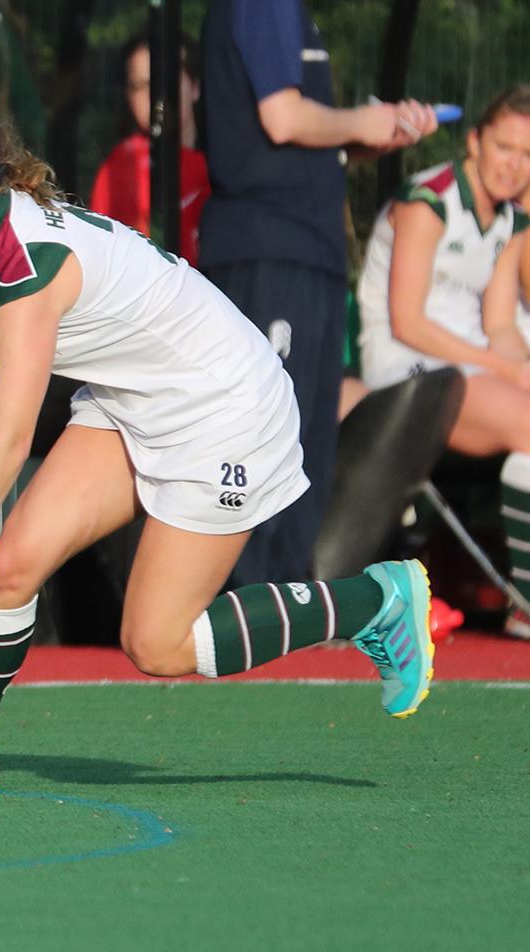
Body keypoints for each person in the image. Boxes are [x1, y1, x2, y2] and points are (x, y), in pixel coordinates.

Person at [0, 90, 434, 795]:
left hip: (225, 407)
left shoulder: (29, 264)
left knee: (157, 643)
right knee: (11, 566)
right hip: (133, 399)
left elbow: (9, 441)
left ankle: (371, 602)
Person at [200, 0, 436, 588]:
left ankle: (283, 602)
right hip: (271, 250)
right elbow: (282, 119)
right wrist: (360, 121)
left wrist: (368, 137)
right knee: (267, 434)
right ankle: (248, 603)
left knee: (300, 436)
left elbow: (286, 136)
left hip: (303, 251)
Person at [356, 86, 530, 636]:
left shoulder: (510, 222)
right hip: (406, 367)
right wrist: (504, 370)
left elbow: (501, 325)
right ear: (475, 141)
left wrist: (518, 367)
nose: (514, 165)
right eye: (505, 147)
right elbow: (408, 322)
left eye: (528, 155)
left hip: (469, 366)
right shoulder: (427, 199)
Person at [88, 27, 208, 263]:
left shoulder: (221, 165)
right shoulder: (123, 167)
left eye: (164, 82)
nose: (154, 96)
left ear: (195, 86)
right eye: (139, 86)